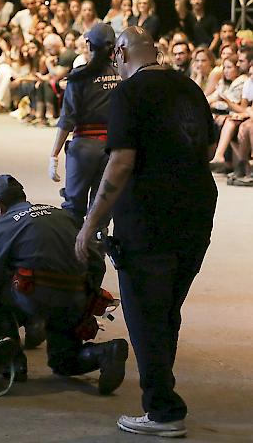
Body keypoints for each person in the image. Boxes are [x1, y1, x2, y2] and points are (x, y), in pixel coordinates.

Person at [75, 26, 217, 437]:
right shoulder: (188, 87)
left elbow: (120, 162)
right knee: (167, 312)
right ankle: (163, 398)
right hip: (195, 217)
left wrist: (90, 224)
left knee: (144, 318)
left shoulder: (129, 94)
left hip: (148, 222)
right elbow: (206, 148)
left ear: (120, 52)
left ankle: (162, 412)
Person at [0, 175, 129, 390]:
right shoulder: (63, 215)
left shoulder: (0, 229)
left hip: (35, 297)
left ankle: (13, 363)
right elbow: (96, 262)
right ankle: (106, 352)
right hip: (75, 297)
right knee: (63, 362)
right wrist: (87, 304)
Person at [49, 23, 120, 230]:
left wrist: (54, 154)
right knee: (101, 210)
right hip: (113, 149)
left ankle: (72, 256)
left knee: (73, 209)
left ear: (89, 45)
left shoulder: (78, 76)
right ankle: (95, 256)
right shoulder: (123, 75)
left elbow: (67, 119)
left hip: (83, 149)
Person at [31, 33, 77, 125]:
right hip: (61, 81)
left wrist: (48, 64)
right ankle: (39, 115)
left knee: (48, 84)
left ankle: (50, 115)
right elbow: (52, 75)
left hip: (69, 82)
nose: (48, 52)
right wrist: (42, 78)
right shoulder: (58, 56)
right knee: (41, 84)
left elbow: (58, 75)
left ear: (56, 46)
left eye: (49, 49)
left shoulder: (67, 55)